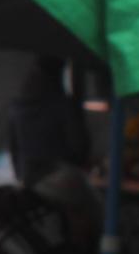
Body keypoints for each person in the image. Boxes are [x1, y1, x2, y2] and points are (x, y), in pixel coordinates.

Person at [8, 55, 90, 187]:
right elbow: (78, 145)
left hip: (29, 178)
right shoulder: (63, 106)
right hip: (60, 180)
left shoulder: (18, 106)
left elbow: (13, 147)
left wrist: (20, 174)